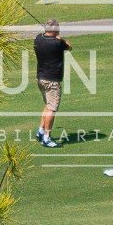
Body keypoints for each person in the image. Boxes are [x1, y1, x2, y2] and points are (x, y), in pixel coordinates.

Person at [33, 19, 69, 147]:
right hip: (52, 81)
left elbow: (45, 37)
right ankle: (46, 138)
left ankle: (40, 131)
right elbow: (69, 46)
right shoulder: (57, 43)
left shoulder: (38, 39)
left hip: (41, 79)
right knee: (52, 109)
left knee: (48, 105)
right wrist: (60, 38)